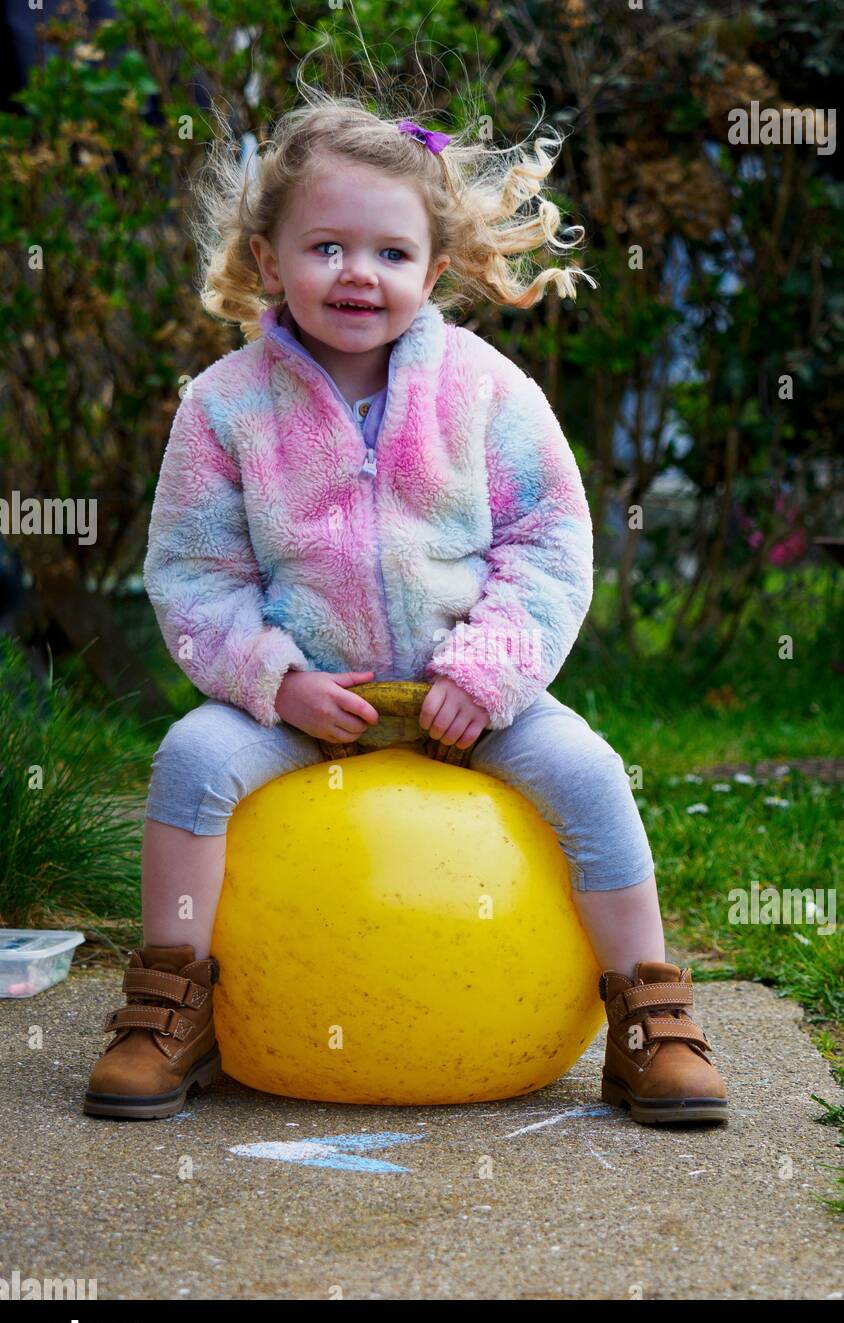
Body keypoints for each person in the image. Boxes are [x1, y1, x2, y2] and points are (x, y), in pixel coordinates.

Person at [83, 70, 727, 1126]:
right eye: (325, 246)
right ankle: (169, 1007)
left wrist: (487, 673)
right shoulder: (223, 405)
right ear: (265, 259)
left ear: (432, 270)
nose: (356, 274)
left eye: (389, 253)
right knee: (190, 762)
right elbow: (195, 571)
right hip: (306, 704)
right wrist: (272, 678)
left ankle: (648, 1017)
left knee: (592, 772)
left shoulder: (484, 390)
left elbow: (548, 543)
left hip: (464, 698)